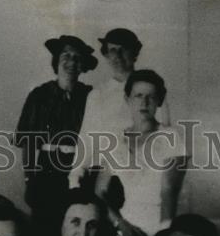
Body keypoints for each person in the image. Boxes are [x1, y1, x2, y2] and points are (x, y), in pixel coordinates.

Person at [94, 69, 189, 236]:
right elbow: (99, 192)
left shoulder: (172, 137)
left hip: (160, 230)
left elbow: (169, 193)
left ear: (159, 101)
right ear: (127, 99)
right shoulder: (115, 140)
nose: (144, 103)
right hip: (125, 228)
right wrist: (119, 223)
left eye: (151, 97)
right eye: (138, 95)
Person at [68, 27, 172, 189]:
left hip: (139, 171)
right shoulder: (97, 94)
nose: (117, 56)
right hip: (100, 173)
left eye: (123, 50)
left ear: (135, 53)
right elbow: (86, 139)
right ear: (106, 54)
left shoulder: (150, 90)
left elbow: (162, 134)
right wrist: (75, 176)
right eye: (112, 50)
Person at [15, 35, 97, 236]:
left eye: (77, 58)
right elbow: (28, 142)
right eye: (66, 56)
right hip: (47, 172)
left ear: (82, 66)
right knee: (46, 230)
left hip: (81, 170)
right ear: (57, 62)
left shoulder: (92, 96)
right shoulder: (40, 95)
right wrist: (29, 180)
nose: (71, 62)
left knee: (79, 226)